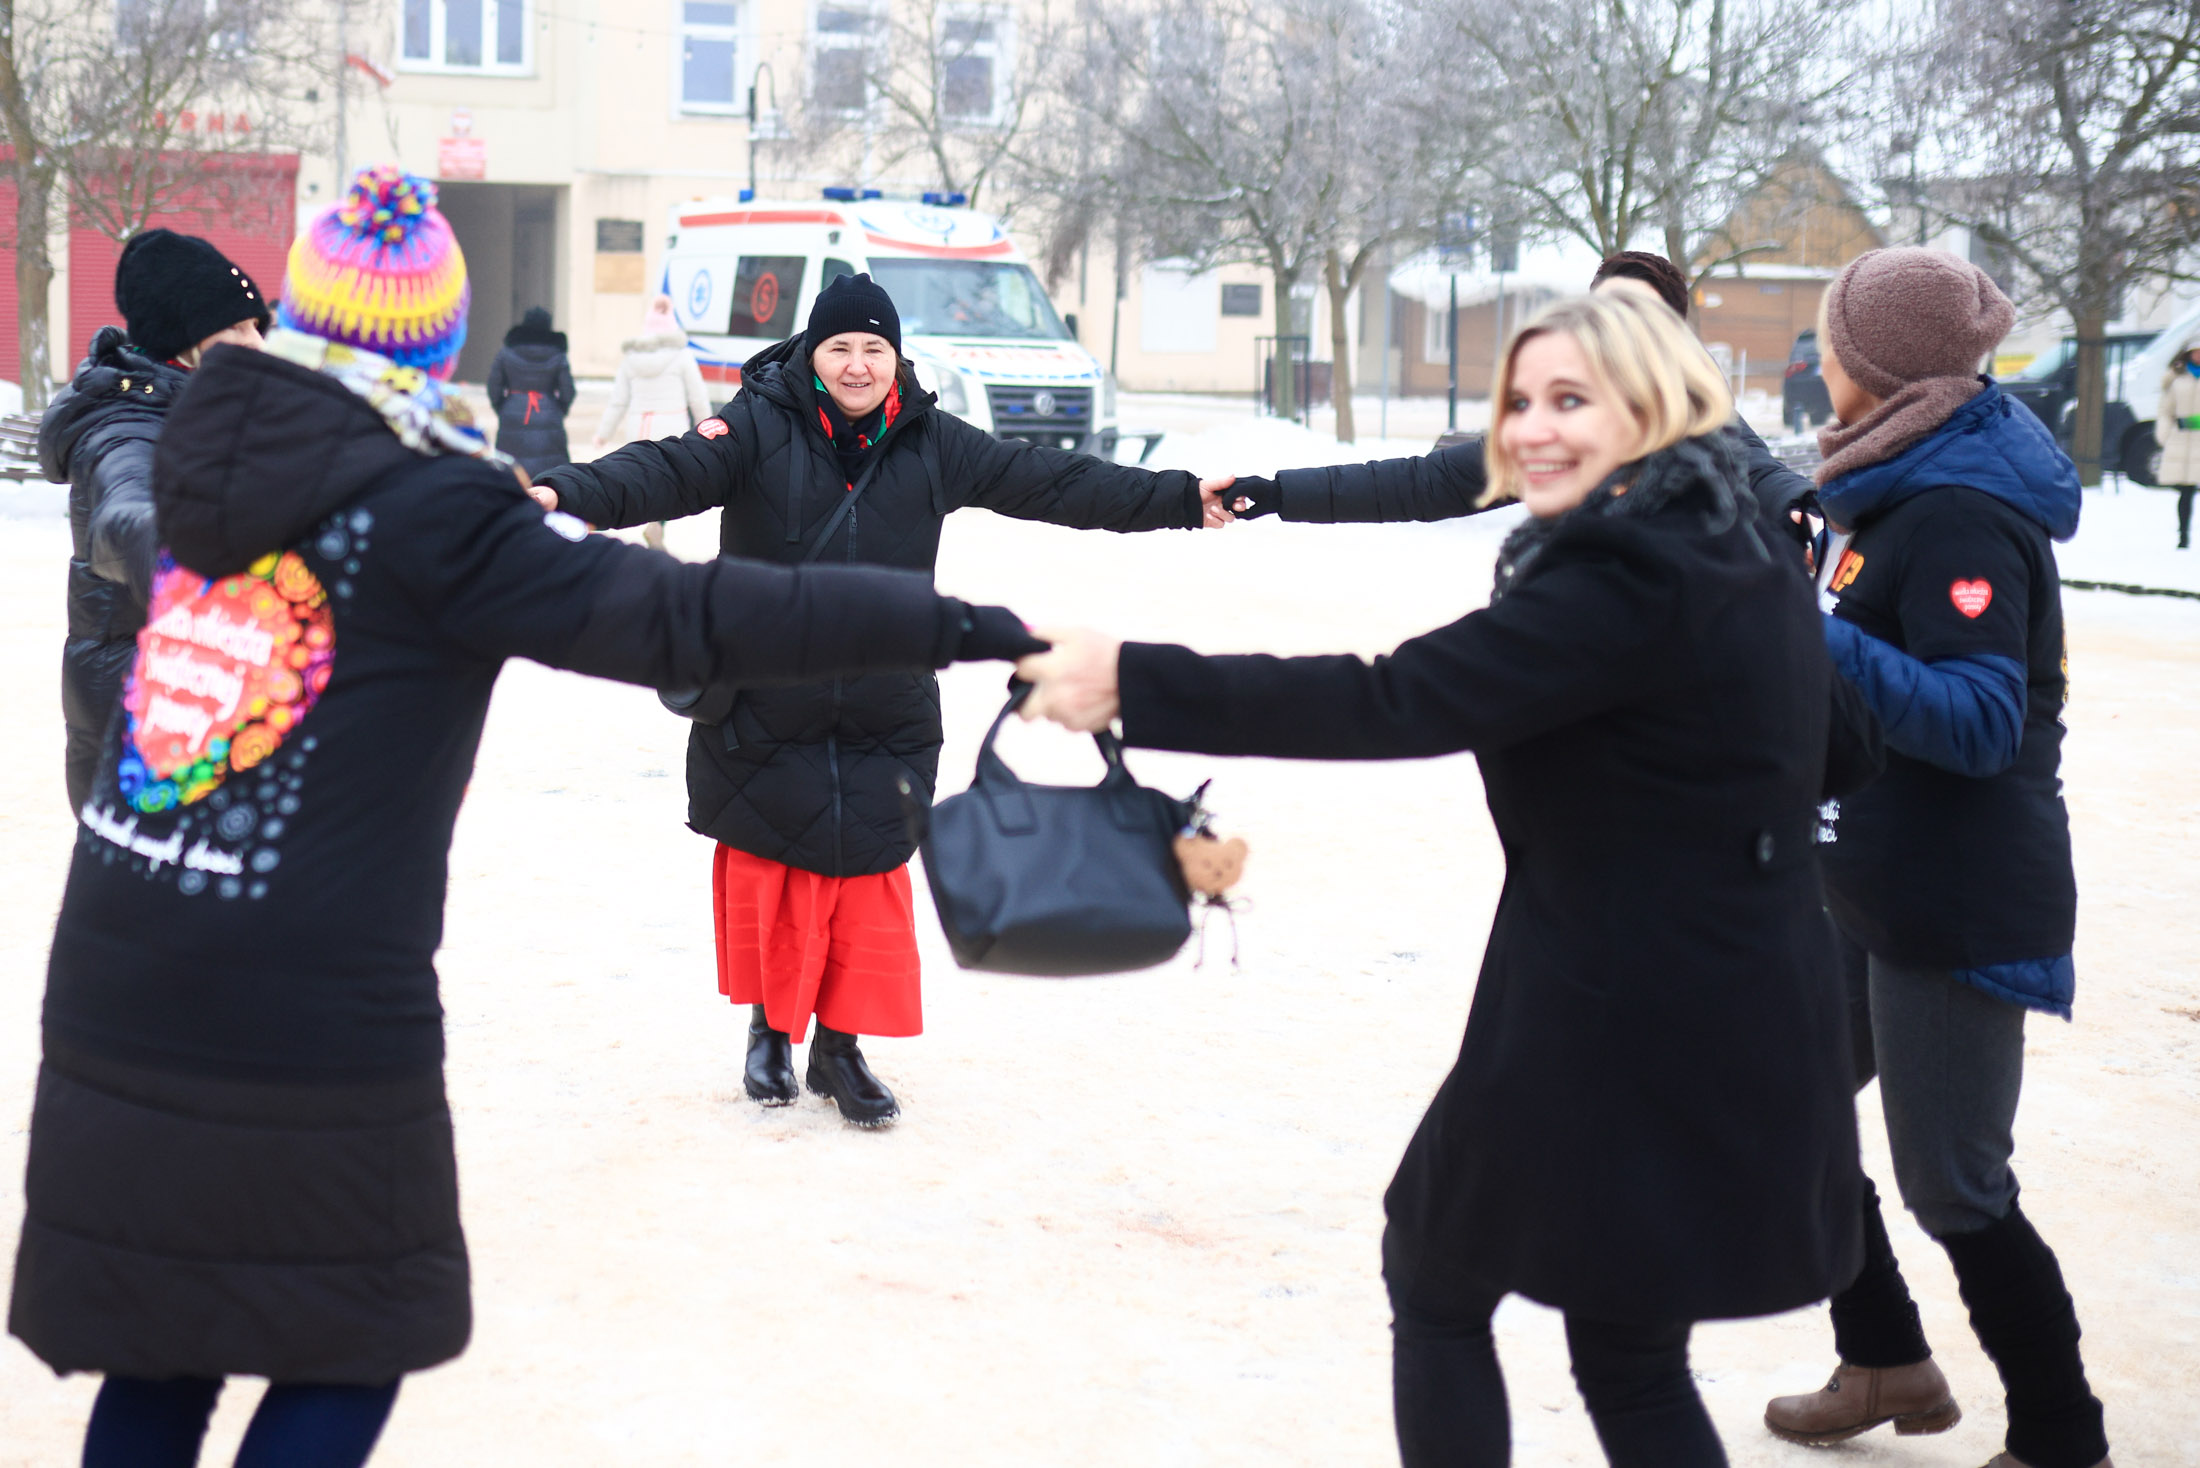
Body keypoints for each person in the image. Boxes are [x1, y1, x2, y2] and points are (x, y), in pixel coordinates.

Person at [7, 166, 1038, 1468]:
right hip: (302, 998)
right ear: (436, 345)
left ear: (302, 323)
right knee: (354, 1336)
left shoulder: (191, 444)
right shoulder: (437, 505)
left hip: (120, 965)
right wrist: (959, 625)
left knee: (166, 1352)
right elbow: (689, 615)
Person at [1016, 290, 1879, 1468]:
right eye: (1518, 401)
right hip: (1733, 988)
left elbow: (1396, 697)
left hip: (1621, 1010)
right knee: (1626, 1353)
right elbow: (1847, 745)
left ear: (1650, 406)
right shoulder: (1735, 542)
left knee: (1437, 1277)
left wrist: (1134, 677)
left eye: (1570, 399)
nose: (1532, 428)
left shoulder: (1626, 573)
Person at [529, 272, 1229, 1127]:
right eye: (840, 348)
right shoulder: (755, 425)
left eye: (874, 348)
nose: (858, 365)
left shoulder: (934, 442)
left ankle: (840, 1047)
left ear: (896, 357)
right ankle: (769, 1030)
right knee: (775, 872)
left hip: (884, 703)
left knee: (866, 886)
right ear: (811, 354)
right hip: (767, 698)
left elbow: (1054, 481)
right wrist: (562, 492)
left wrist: (1180, 498)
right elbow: (665, 469)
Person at [1761, 248, 2111, 1468]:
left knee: (1954, 1183)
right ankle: (1883, 1358)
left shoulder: (1956, 510)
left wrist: (1806, 633)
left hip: (1952, 902)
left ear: (1882, 363)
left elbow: (1979, 721)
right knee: (1780, 1096)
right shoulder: (1886, 489)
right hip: (1867, 881)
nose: (1818, 361)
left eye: (1830, 340)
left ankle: (2061, 1434)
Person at [1213, 250, 1816, 559]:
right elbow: (1421, 484)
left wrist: (1798, 503)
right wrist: (1279, 493)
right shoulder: (1557, 433)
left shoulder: (1693, 414)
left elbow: (1753, 466)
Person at [42, 229, 271, 812]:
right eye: (236, 329)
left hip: (199, 699)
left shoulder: (215, 410)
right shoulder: (124, 425)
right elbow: (125, 511)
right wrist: (175, 553)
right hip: (140, 710)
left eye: (257, 326)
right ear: (182, 341)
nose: (258, 344)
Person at [593, 294, 714, 551]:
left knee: (643, 477)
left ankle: (650, 520)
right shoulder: (682, 356)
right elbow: (698, 397)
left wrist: (603, 433)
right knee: (670, 480)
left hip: (639, 426)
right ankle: (658, 524)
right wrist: (707, 429)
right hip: (671, 426)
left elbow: (618, 401)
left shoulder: (631, 359)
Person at [487, 305, 576, 477]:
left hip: (513, 411)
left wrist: (503, 407)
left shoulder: (506, 352)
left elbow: (493, 385)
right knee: (551, 475)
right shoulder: (558, 353)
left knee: (510, 472)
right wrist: (559, 409)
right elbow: (568, 389)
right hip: (548, 411)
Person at [2153, 336, 2199, 548]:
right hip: (2182, 441)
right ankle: (2183, 535)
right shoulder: (2177, 380)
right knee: (2186, 492)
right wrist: (2165, 434)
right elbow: (2166, 410)